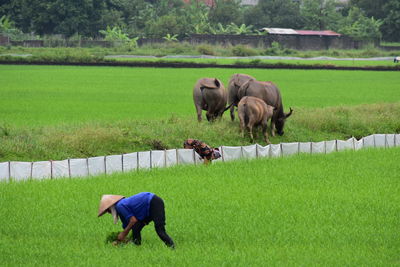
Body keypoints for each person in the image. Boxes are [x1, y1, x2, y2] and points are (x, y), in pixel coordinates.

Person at [98, 192, 175, 248]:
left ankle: (172, 248)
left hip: (153, 202)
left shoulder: (120, 206)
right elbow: (128, 227)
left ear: (111, 207)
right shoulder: (121, 209)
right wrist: (120, 240)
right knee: (136, 228)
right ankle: (137, 248)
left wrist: (124, 234)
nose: (109, 213)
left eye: (108, 211)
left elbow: (133, 220)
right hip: (147, 209)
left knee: (160, 230)